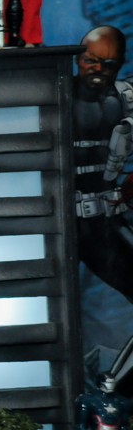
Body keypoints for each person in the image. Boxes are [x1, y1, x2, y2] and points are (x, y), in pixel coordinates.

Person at [71, 25, 133, 305]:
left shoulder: (125, 98)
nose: (99, 69)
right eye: (90, 60)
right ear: (78, 59)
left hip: (105, 220)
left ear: (119, 64)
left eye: (109, 64)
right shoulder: (52, 94)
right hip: (56, 222)